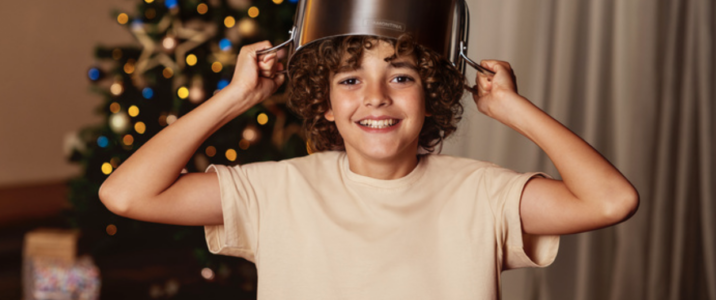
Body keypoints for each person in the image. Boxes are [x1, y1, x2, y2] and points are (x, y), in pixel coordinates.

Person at [99, 33, 639, 299]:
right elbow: (127, 195)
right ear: (326, 106)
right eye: (351, 80)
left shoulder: (483, 194)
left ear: (429, 97)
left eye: (400, 77)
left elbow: (611, 201)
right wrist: (235, 98)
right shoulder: (276, 189)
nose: (376, 97)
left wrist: (512, 108)